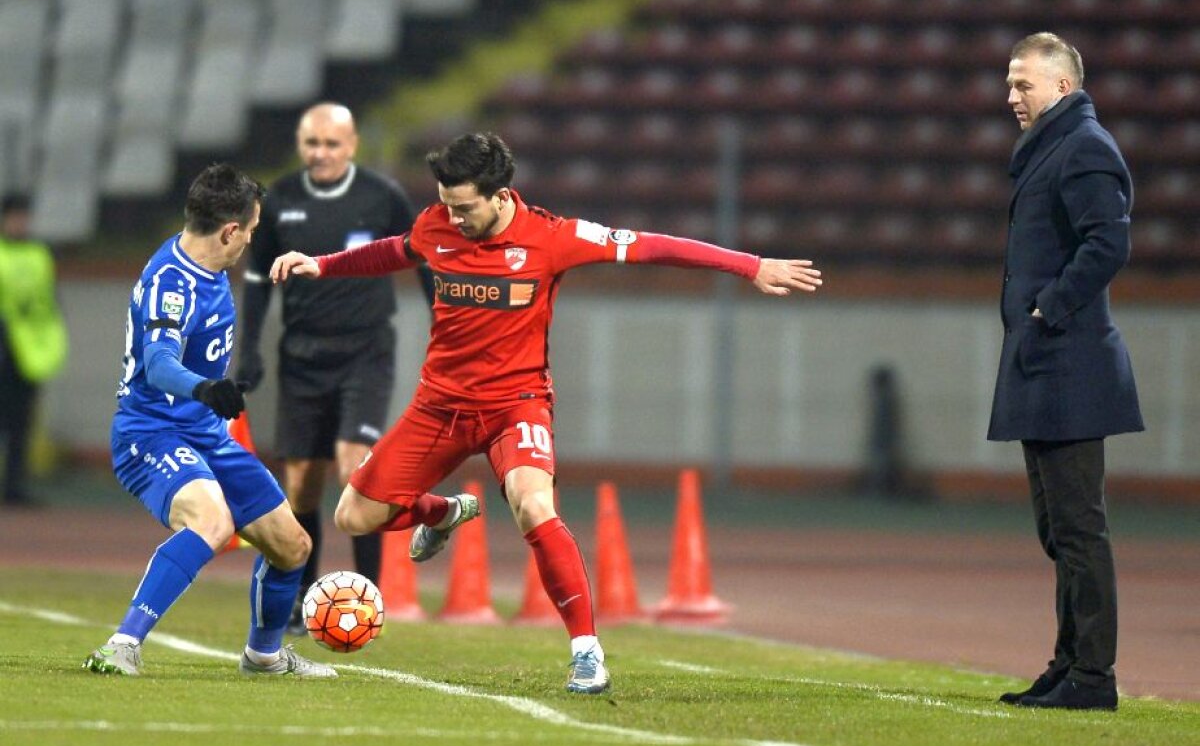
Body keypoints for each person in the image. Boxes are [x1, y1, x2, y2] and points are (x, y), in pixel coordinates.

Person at [270, 133, 823, 693]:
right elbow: (395, 250)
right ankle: (441, 513)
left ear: (501, 195)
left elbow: (654, 245)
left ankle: (586, 652)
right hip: (439, 406)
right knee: (352, 516)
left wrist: (750, 265)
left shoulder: (553, 237)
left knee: (534, 507)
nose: (452, 217)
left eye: (464, 207)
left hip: (517, 406)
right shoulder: (437, 223)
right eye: (446, 204)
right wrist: (322, 265)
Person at [84, 163, 335, 679]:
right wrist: (203, 387)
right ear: (229, 230)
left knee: (293, 547)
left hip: (203, 433)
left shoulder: (209, 267)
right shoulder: (169, 283)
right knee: (212, 522)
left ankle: (264, 656)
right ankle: (122, 643)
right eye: (250, 230)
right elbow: (157, 364)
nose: (250, 240)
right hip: (150, 433)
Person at [236, 103, 431, 634]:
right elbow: (256, 280)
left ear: (352, 146)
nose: (320, 153)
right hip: (300, 357)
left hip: (364, 353)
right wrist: (248, 348)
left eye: (331, 144)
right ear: (301, 144)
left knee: (355, 468)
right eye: (311, 143)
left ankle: (369, 595)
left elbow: (424, 253)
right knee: (300, 485)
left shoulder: (381, 196)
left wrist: (444, 323)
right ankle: (300, 597)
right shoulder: (279, 200)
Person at [989, 33, 1142, 711]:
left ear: (1063, 87)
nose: (1011, 96)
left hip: (1070, 362)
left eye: (1024, 84)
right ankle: (1067, 663)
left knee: (1080, 527)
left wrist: (1049, 307)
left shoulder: (1083, 145)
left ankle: (1094, 678)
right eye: (1009, 83)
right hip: (1044, 358)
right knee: (1059, 529)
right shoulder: (1055, 146)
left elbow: (1109, 240)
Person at [0, 195, 68, 507]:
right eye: (15, 216)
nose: (20, 223)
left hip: (28, 351)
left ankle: (14, 485)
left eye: (23, 217)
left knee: (21, 423)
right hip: (5, 345)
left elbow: (49, 301)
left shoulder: (40, 254)